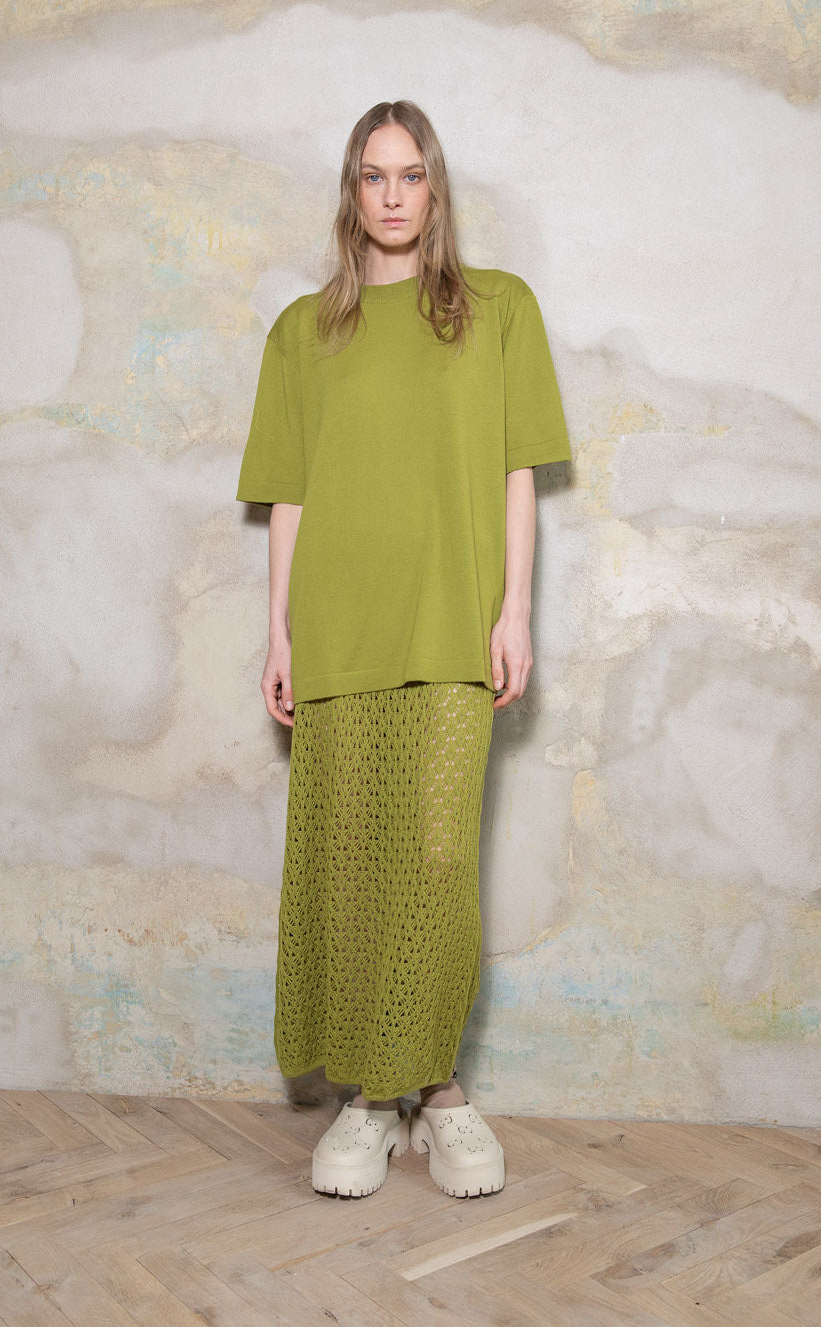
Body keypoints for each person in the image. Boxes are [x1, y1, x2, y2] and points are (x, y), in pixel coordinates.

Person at [236, 100, 571, 1199]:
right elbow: (289, 497)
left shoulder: (499, 310)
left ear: (435, 188)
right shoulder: (303, 331)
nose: (392, 195)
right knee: (348, 867)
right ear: (352, 191)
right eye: (373, 175)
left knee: (433, 862)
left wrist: (514, 612)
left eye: (410, 174)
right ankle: (373, 1105)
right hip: (338, 628)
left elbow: (517, 472)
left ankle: (437, 1093)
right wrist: (279, 632)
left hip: (448, 623)